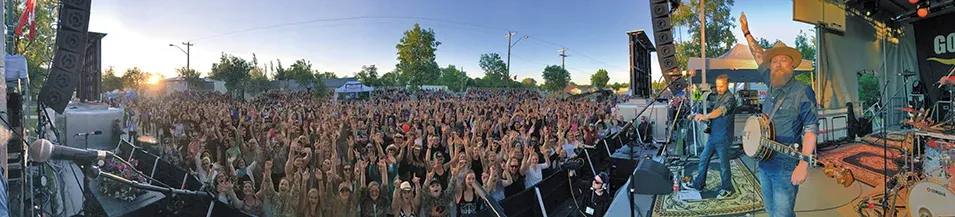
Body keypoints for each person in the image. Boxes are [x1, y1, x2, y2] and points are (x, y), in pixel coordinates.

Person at [741, 12, 819, 217]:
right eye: (774, 61)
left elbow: (811, 128)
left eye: (784, 61)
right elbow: (758, 54)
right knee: (770, 210)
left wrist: (804, 162)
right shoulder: (771, 82)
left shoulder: (802, 90)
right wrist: (747, 33)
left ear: (792, 65)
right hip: (764, 158)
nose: (778, 64)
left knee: (782, 213)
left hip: (785, 164)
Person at [682, 74, 737, 199]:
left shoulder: (730, 98)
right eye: (717, 86)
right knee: (703, 158)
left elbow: (720, 111)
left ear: (727, 85)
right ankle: (699, 184)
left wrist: (706, 116)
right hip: (713, 136)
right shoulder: (718, 97)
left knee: (723, 165)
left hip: (723, 137)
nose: (718, 88)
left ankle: (727, 188)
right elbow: (713, 117)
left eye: (721, 86)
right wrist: (698, 117)